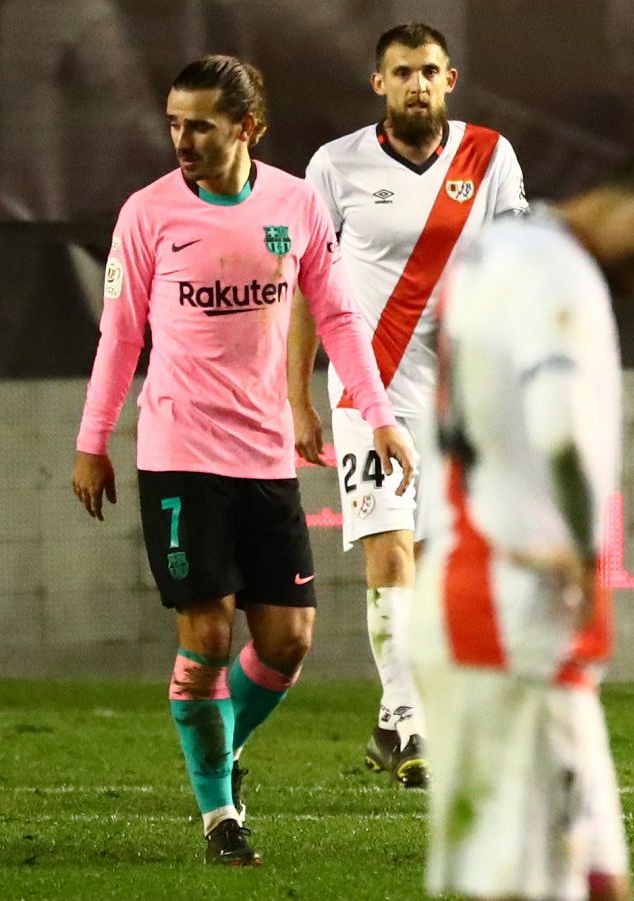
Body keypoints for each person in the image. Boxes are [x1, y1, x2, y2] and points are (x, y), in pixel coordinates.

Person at [72, 55, 415, 866]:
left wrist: (377, 414)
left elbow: (335, 315)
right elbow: (120, 336)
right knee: (208, 631)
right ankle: (220, 812)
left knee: (290, 639)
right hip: (179, 452)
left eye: (199, 124)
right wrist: (94, 440)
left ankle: (222, 749)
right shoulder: (147, 213)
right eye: (173, 124)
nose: (182, 140)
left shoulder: (294, 204)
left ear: (246, 128)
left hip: (264, 456)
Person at [413, 136, 634, 901]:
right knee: (515, 885)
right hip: (508, 614)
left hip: (507, 610)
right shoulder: (555, 272)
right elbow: (558, 423)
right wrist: (579, 546)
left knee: (597, 881)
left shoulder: (494, 249)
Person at [288, 21, 527, 786]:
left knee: (435, 560)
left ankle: (394, 720)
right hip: (370, 384)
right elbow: (307, 286)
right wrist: (298, 394)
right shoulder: (335, 166)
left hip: (456, 387)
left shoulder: (490, 158)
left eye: (430, 71)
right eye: (402, 72)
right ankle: (412, 721)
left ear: (450, 80)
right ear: (379, 84)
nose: (417, 84)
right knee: (390, 549)